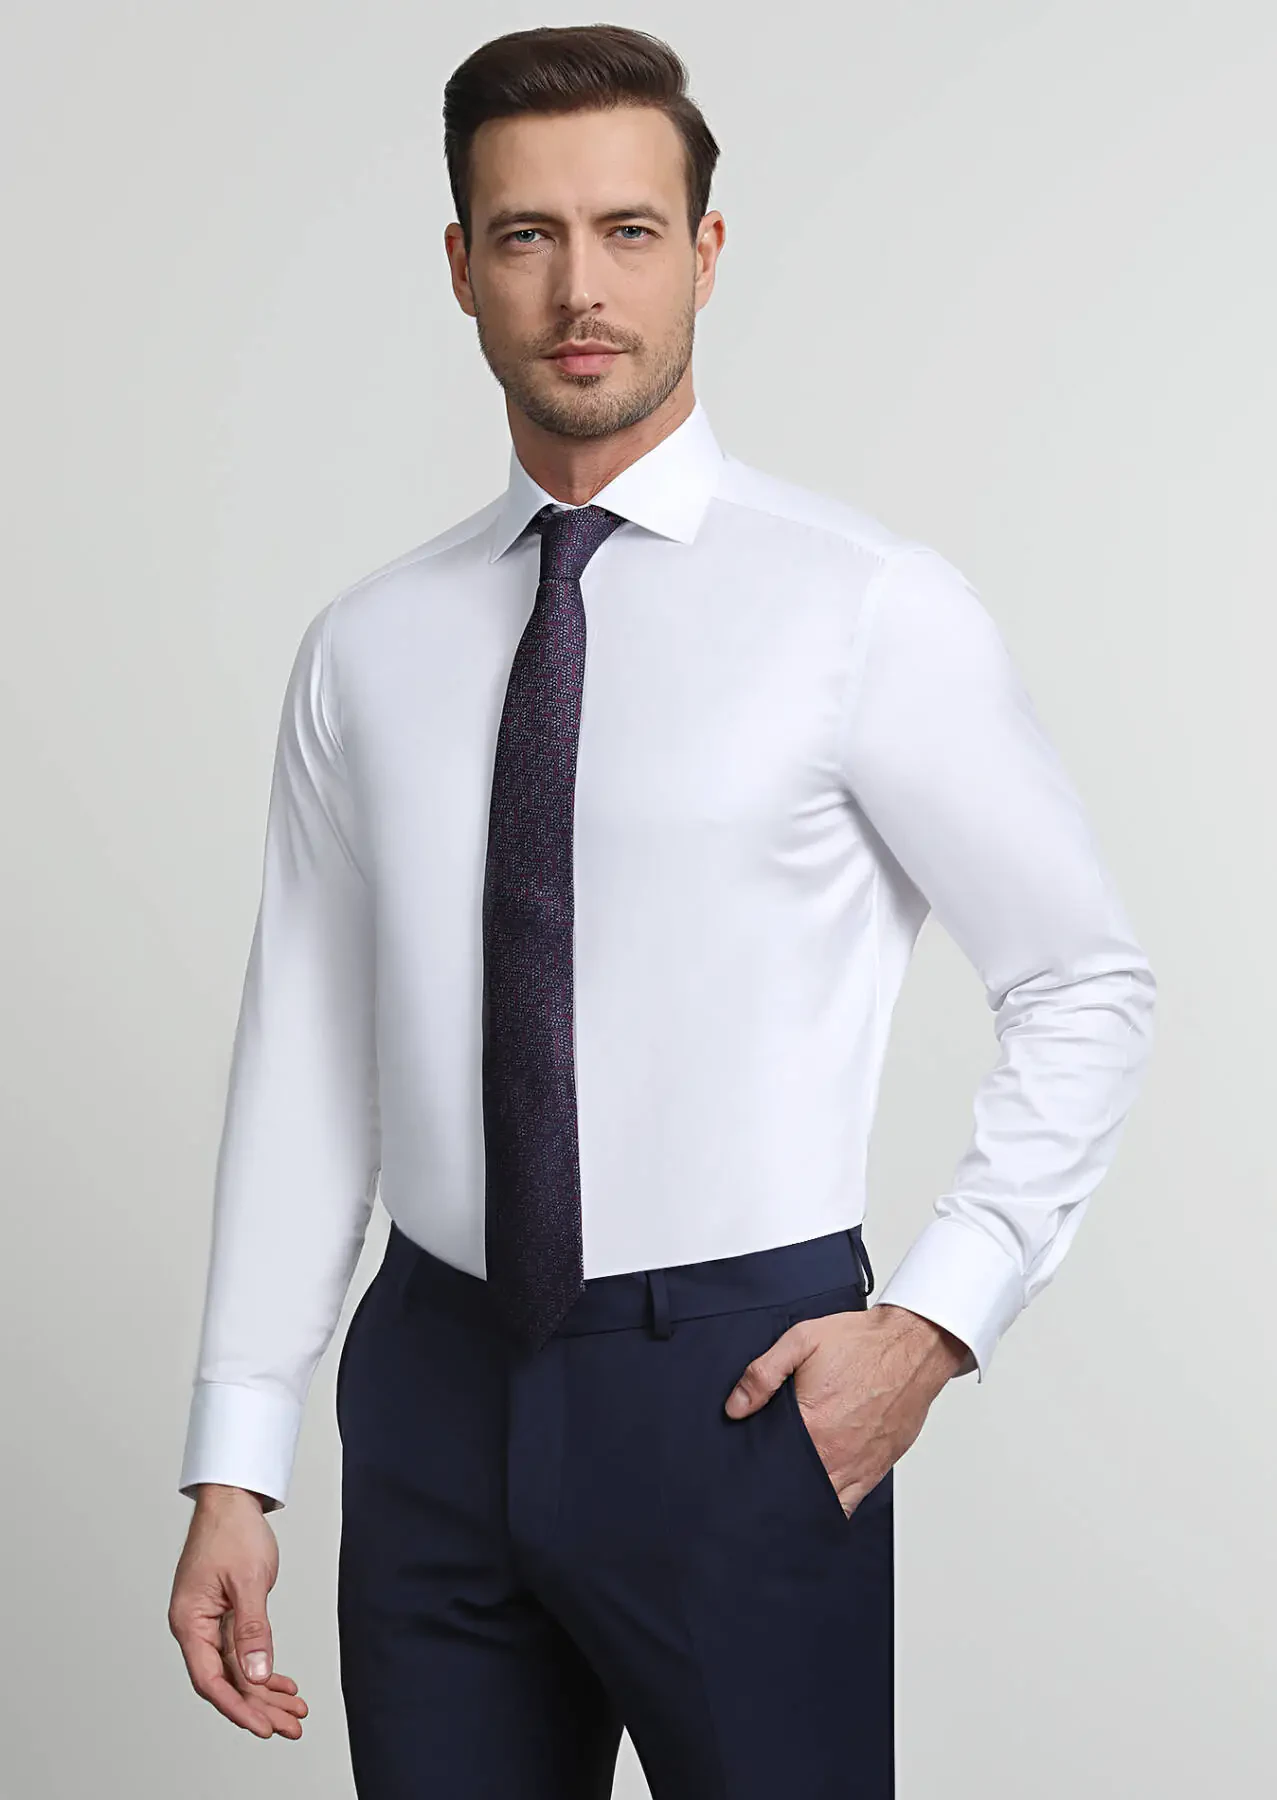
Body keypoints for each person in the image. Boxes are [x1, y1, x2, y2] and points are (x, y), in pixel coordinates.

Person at [167, 22, 1157, 1798]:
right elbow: (307, 1061)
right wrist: (236, 1456)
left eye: (628, 231)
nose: (581, 289)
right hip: (433, 1388)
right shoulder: (369, 648)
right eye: (527, 235)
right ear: (460, 266)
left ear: (704, 252)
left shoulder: (865, 609)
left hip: (738, 1391)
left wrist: (935, 1323)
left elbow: (1084, 980)